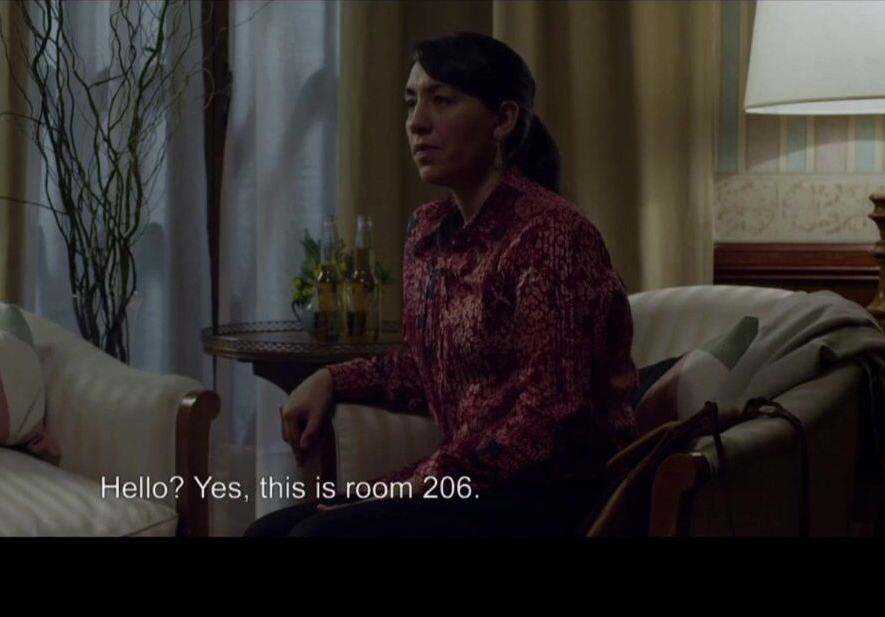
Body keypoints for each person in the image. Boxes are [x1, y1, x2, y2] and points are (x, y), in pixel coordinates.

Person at [244, 32, 639, 537]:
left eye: (442, 100)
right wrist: (331, 378)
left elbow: (551, 416)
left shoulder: (551, 235)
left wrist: (427, 480)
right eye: (411, 102)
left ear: (503, 119)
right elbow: (425, 367)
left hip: (551, 492)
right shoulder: (428, 231)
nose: (417, 122)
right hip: (466, 483)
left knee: (316, 537)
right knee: (266, 532)